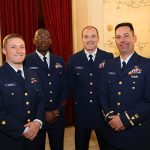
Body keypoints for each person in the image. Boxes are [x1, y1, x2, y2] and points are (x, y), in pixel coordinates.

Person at [99, 22, 150, 150]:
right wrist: (110, 116)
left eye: (126, 36)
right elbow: (102, 94)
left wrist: (125, 119)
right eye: (118, 37)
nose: (122, 40)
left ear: (134, 38)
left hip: (137, 134)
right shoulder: (108, 65)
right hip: (112, 133)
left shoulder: (146, 65)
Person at [67, 26, 113, 150]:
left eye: (93, 36)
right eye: (86, 37)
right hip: (82, 113)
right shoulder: (73, 59)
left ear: (98, 38)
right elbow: (71, 86)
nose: (89, 40)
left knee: (107, 146)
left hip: (103, 112)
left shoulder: (108, 57)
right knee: (81, 146)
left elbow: (111, 85)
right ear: (82, 39)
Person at [24, 28, 68, 150]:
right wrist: (42, 114)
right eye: (39, 36)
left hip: (57, 117)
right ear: (33, 40)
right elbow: (26, 92)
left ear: (51, 41)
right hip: (35, 118)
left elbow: (65, 88)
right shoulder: (26, 60)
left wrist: (58, 110)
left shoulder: (59, 60)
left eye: (46, 36)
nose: (43, 39)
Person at [0, 33, 45, 150]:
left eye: (22, 47)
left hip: (36, 137)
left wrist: (38, 122)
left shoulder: (32, 73)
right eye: (13, 47)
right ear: (4, 50)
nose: (19, 51)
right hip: (10, 139)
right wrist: (24, 129)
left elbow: (41, 99)